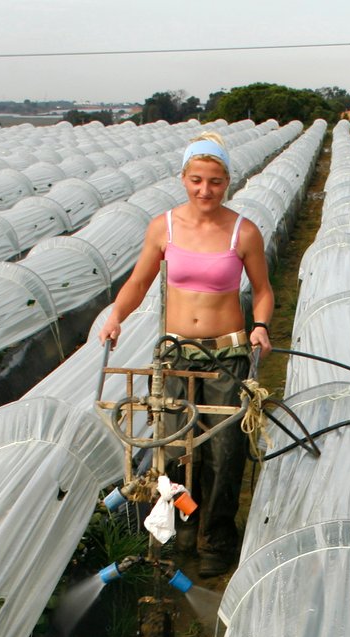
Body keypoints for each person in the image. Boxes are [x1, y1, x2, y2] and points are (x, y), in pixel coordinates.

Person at [100, 132, 275, 577]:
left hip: (225, 356)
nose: (205, 190)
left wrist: (260, 327)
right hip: (177, 357)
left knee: (223, 450)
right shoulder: (164, 227)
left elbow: (263, 291)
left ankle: (216, 539)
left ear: (227, 182)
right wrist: (116, 315)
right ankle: (183, 526)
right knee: (175, 452)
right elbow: (139, 282)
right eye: (196, 180)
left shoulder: (243, 231)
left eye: (215, 182)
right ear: (183, 178)